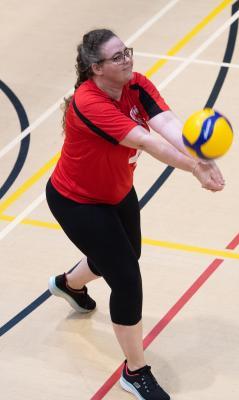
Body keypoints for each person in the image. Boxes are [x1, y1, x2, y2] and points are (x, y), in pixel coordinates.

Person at [46, 29, 225, 400]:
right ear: (96, 68)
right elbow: (145, 141)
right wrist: (195, 168)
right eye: (117, 57)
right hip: (77, 201)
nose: (127, 59)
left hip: (117, 192)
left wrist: (200, 157)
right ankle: (135, 371)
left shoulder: (136, 85)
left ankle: (68, 284)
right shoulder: (89, 103)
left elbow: (168, 125)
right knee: (126, 279)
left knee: (123, 256)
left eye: (126, 51)